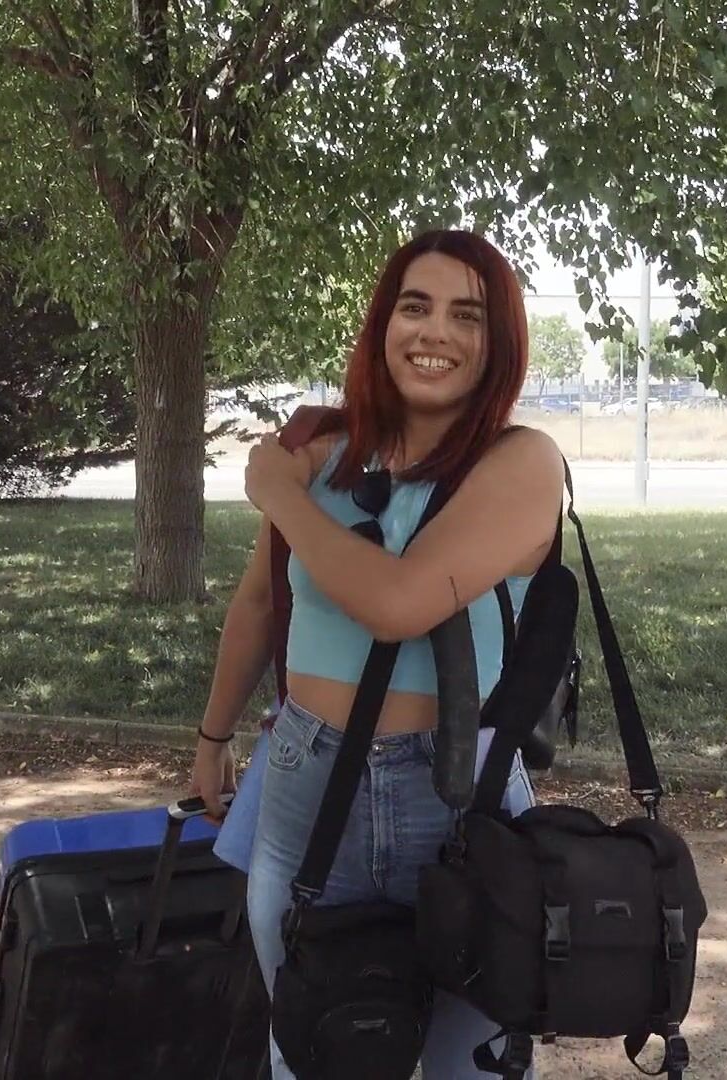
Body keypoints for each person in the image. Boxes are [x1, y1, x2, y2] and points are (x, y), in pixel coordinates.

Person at [192, 229, 566, 1079]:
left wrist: (280, 495)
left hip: (460, 797)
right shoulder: (326, 454)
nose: (435, 332)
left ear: (498, 342)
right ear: (383, 325)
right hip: (306, 779)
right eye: (415, 306)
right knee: (315, 1047)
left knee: (470, 1064)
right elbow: (260, 603)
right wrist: (213, 736)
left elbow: (398, 604)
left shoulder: (522, 463)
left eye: (466, 315)